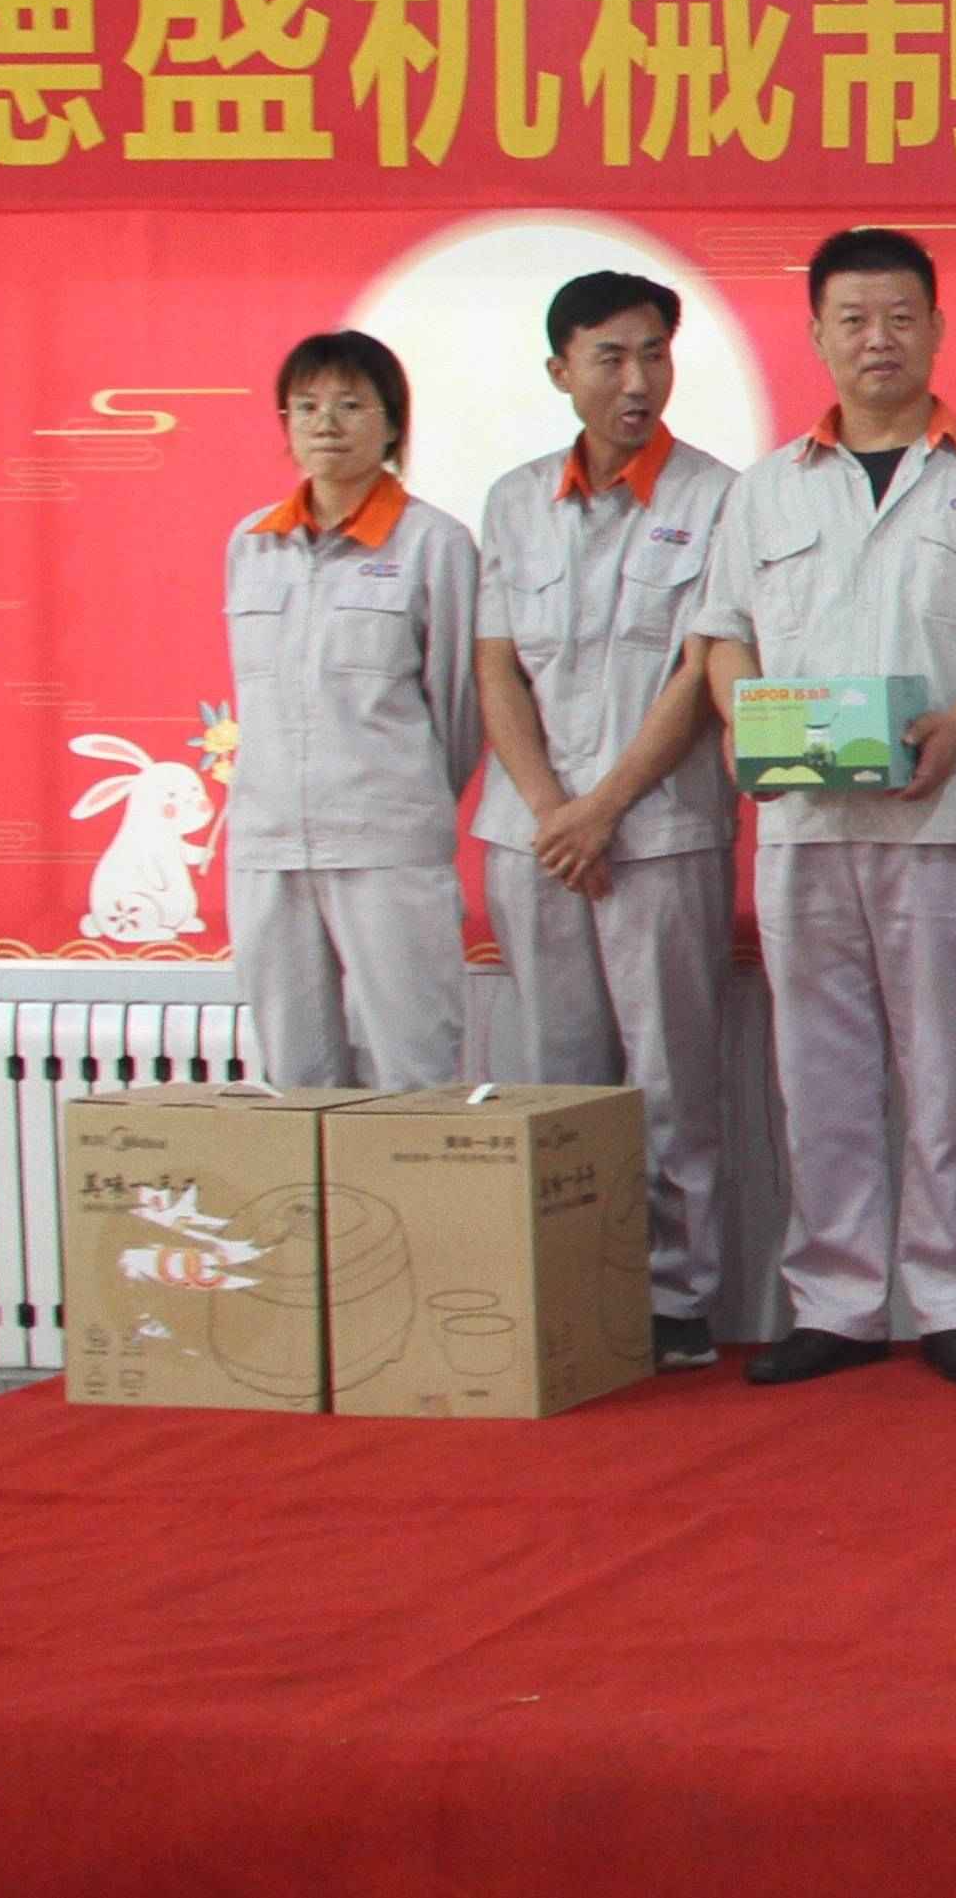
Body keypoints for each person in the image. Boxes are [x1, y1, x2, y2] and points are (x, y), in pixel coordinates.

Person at [695, 228, 956, 1389]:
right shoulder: (766, 488)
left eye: (901, 317)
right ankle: (838, 1303)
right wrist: (749, 726)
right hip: (805, 827)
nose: (878, 340)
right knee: (819, 1077)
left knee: (951, 1075)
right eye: (853, 319)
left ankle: (955, 1303)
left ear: (937, 328)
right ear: (816, 334)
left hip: (943, 814)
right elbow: (723, 636)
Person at [473, 273, 740, 1372]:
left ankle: (677, 1296)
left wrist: (604, 808)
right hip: (534, 839)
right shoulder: (512, 501)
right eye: (610, 357)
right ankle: (572, 1291)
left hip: (660, 829)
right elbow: (497, 668)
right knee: (556, 1073)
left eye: (654, 354)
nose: (637, 380)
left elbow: (698, 671)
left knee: (672, 1076)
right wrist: (553, 812)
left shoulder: (718, 497)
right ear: (561, 370)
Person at [222, 329, 479, 1092]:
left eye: (349, 405)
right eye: (306, 407)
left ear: (392, 423)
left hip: (385, 843)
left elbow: (459, 707)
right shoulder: (251, 543)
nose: (326, 423)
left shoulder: (435, 542)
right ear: (285, 423)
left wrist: (402, 800)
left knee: (414, 1067)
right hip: (269, 844)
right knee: (296, 1076)